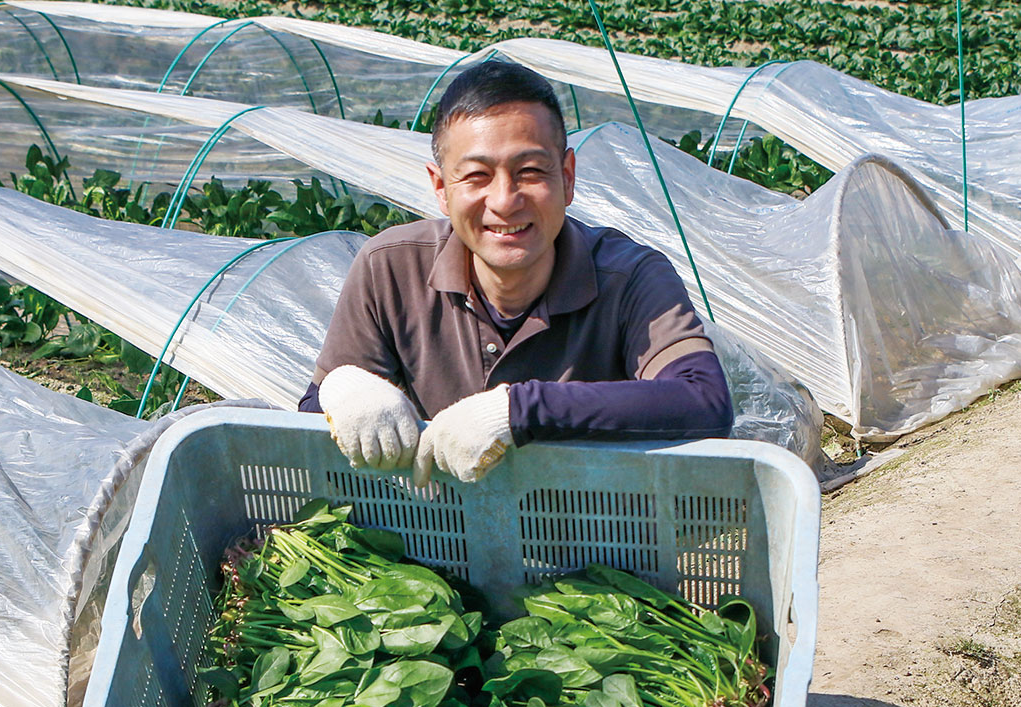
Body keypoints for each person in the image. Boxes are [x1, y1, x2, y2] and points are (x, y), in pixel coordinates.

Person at [299, 61, 733, 485]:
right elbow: (313, 423)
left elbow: (703, 400)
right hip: (431, 534)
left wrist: (520, 411)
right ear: (440, 188)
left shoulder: (631, 277)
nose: (505, 201)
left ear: (567, 176)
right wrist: (343, 389)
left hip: (593, 538)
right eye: (476, 175)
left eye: (529, 171)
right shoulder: (389, 268)